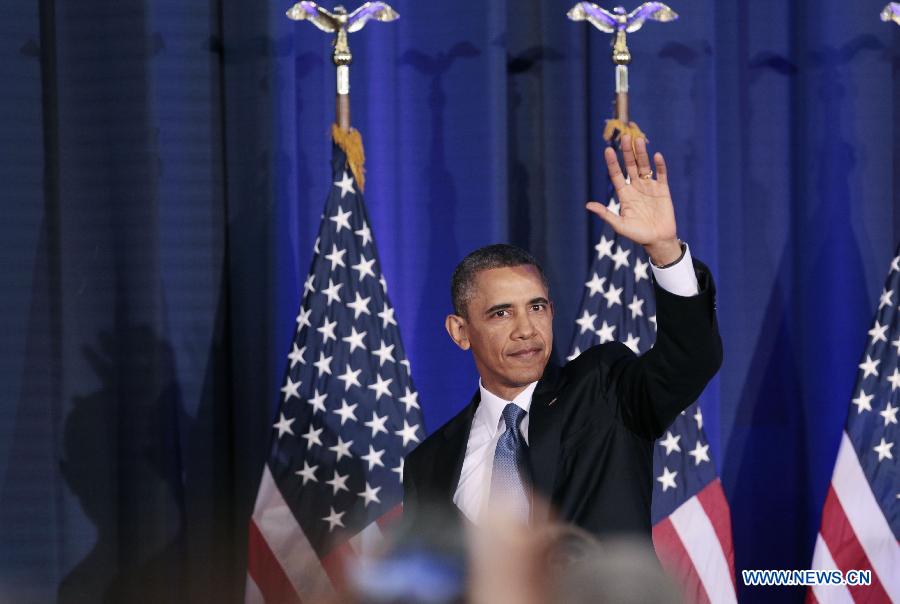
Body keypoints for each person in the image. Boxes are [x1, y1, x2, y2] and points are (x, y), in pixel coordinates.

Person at [402, 135, 722, 545]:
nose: (525, 329)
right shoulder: (428, 464)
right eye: (501, 313)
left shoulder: (604, 389)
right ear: (460, 332)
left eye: (536, 307)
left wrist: (664, 251)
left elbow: (691, 360)